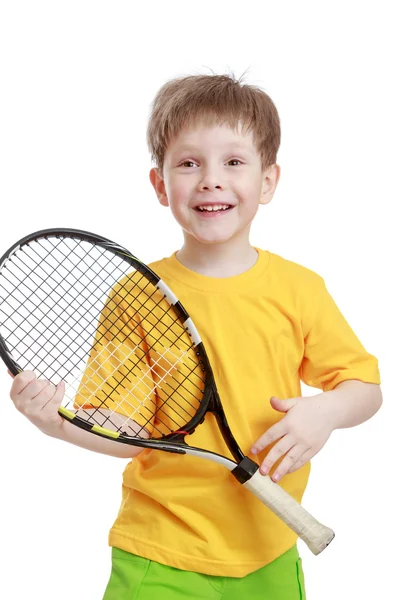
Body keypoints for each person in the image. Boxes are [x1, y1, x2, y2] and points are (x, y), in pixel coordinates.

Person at [9, 72, 382, 599]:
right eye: (189, 163)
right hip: (159, 551)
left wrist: (326, 412)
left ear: (269, 181)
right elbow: (122, 429)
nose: (211, 179)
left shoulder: (299, 288)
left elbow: (365, 390)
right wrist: (55, 423)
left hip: (269, 547)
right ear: (161, 185)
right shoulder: (138, 295)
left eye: (234, 161)